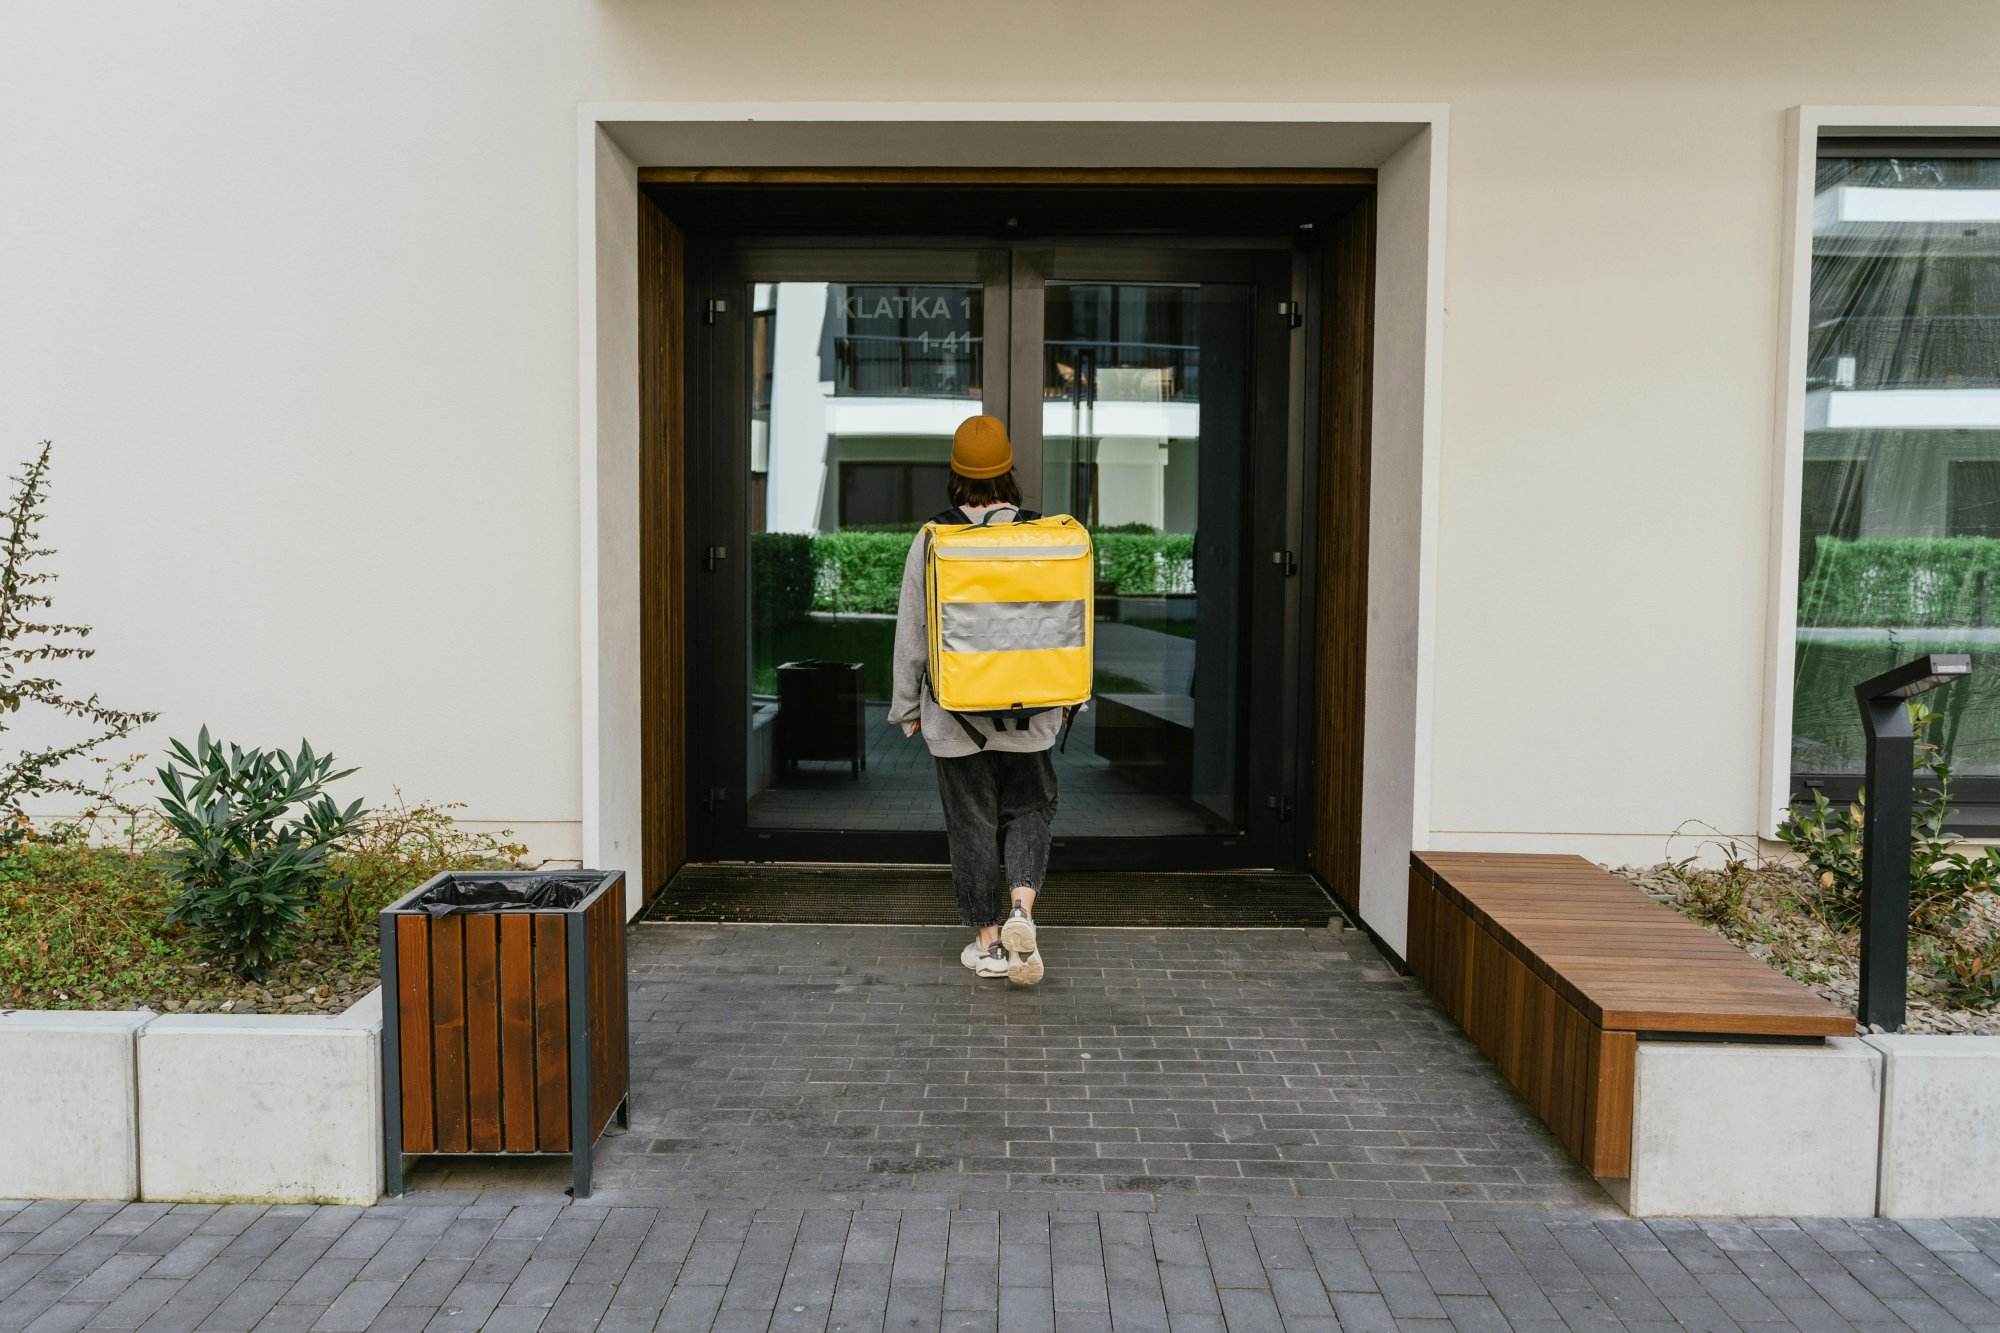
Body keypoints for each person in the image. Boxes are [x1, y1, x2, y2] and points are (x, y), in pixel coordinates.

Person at [888, 415, 1061, 986]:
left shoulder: (936, 537)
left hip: (956, 713)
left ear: (957, 474)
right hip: (1032, 706)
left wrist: (906, 706)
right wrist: (1065, 697)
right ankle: (1021, 912)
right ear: (1008, 470)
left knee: (972, 822)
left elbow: (913, 628)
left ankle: (989, 945)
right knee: (1030, 807)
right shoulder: (1041, 536)